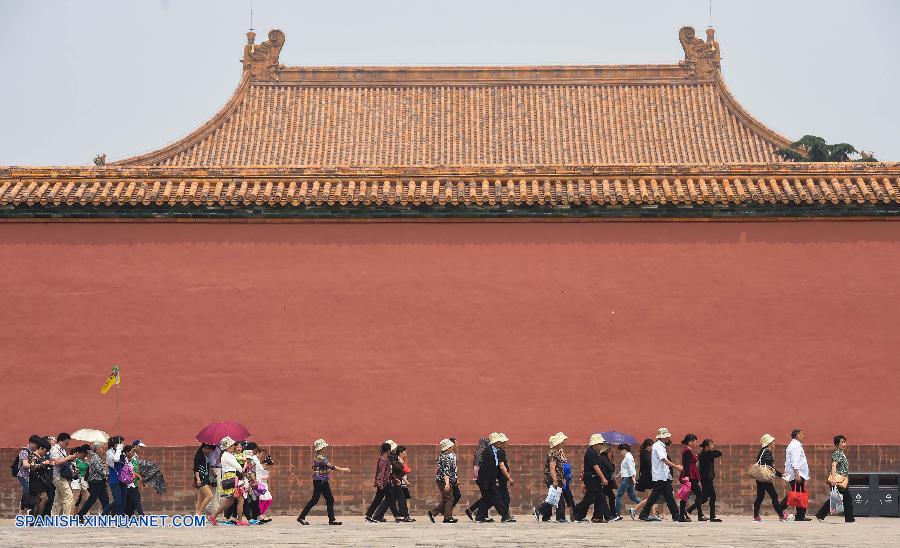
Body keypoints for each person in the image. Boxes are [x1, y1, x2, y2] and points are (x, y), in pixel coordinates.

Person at [297, 438, 349, 525]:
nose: (325, 448)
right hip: (320, 481)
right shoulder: (320, 457)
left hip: (321, 481)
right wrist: (344, 469)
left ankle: (331, 520)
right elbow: (331, 466)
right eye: (324, 446)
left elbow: (321, 468)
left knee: (329, 499)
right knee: (315, 500)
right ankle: (301, 517)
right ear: (321, 448)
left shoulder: (318, 456)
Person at [638, 428, 685, 522]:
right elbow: (664, 460)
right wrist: (676, 467)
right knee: (656, 496)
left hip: (663, 476)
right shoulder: (658, 446)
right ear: (664, 437)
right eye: (667, 436)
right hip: (660, 476)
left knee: (668, 496)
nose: (668, 438)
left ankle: (676, 515)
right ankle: (644, 514)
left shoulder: (660, 446)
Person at [208, 436, 249, 526]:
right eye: (232, 445)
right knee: (240, 499)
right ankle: (240, 520)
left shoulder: (228, 455)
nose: (234, 447)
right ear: (228, 447)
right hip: (231, 477)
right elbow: (238, 467)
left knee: (229, 500)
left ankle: (213, 516)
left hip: (230, 477)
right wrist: (244, 464)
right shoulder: (227, 456)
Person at [815, 435, 855, 523]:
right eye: (842, 442)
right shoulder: (837, 453)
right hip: (838, 480)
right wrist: (833, 479)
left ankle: (820, 515)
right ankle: (850, 519)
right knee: (846, 499)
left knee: (836, 498)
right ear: (837, 444)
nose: (844, 444)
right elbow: (834, 465)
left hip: (842, 480)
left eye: (844, 442)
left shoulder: (841, 454)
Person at [572, 434, 612, 523]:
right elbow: (595, 467)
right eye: (600, 444)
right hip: (591, 478)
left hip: (593, 478)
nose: (601, 446)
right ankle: (575, 510)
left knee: (600, 497)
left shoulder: (594, 452)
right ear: (595, 444)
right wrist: (603, 478)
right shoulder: (591, 453)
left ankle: (596, 517)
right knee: (591, 497)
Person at [476, 432, 515, 522]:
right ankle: (505, 516)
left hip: (490, 480)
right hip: (486, 480)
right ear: (495, 442)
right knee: (496, 498)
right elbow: (488, 469)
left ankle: (479, 517)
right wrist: (492, 481)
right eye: (498, 441)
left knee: (487, 499)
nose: (500, 443)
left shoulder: (495, 451)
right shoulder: (489, 452)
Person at [534, 432, 569, 522]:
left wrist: (563, 478)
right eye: (563, 441)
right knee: (558, 498)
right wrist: (555, 480)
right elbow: (552, 468)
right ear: (558, 442)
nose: (564, 443)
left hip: (558, 478)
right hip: (553, 478)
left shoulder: (557, 452)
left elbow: (561, 467)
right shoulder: (553, 453)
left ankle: (545, 516)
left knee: (553, 497)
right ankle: (560, 517)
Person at [753, 434, 788, 522]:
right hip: (765, 478)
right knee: (774, 496)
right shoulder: (767, 451)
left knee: (760, 497)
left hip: (760, 477)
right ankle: (781, 515)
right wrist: (780, 474)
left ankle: (756, 516)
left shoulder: (763, 450)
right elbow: (769, 467)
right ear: (769, 443)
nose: (774, 444)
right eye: (773, 442)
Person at [687, 439, 722, 522]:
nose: (713, 446)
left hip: (707, 478)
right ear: (706, 447)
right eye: (711, 445)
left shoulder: (704, 453)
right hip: (706, 479)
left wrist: (708, 449)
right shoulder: (706, 454)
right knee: (704, 498)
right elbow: (719, 453)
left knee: (712, 497)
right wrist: (710, 450)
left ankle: (712, 516)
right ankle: (689, 510)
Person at [781, 428, 811, 521]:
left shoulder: (794, 445)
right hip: (797, 474)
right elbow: (795, 461)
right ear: (798, 435)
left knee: (799, 494)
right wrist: (797, 474)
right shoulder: (795, 446)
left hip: (796, 474)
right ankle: (779, 508)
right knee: (795, 494)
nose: (803, 436)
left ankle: (800, 515)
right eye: (802, 434)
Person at [366, 441, 399, 522]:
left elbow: (387, 472)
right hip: (384, 483)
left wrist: (394, 479)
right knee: (391, 499)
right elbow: (381, 472)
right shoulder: (384, 459)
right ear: (388, 450)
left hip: (384, 482)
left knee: (378, 499)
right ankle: (397, 516)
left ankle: (368, 515)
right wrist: (380, 484)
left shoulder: (385, 458)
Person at [428, 438, 459, 523]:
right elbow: (446, 472)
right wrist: (447, 483)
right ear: (448, 448)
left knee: (446, 498)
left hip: (441, 480)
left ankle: (433, 512)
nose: (452, 448)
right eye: (451, 447)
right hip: (443, 481)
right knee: (450, 499)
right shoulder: (445, 458)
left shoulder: (442, 456)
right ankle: (447, 518)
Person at [630, 438, 661, 520]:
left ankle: (652, 515)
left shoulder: (644, 453)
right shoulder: (646, 454)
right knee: (651, 498)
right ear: (648, 446)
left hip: (646, 478)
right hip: (648, 479)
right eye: (652, 445)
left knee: (650, 498)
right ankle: (635, 509)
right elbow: (650, 466)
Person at [77, 442, 110, 518]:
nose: (103, 449)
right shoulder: (95, 457)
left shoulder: (97, 457)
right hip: (96, 482)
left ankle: (106, 515)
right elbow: (100, 470)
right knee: (92, 500)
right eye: (102, 447)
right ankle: (80, 515)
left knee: (105, 499)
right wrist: (107, 472)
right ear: (97, 448)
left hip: (99, 481)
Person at [49, 432, 78, 516]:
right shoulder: (54, 449)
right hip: (57, 476)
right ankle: (66, 517)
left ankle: (53, 518)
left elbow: (64, 462)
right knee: (69, 496)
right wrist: (68, 458)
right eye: (66, 442)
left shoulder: (62, 450)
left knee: (58, 499)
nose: (67, 444)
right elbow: (57, 462)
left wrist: (71, 459)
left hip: (62, 476)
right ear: (60, 441)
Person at [465, 436, 492, 521]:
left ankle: (477, 512)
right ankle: (479, 514)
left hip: (478, 477)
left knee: (486, 496)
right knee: (488, 496)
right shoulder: (483, 453)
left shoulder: (478, 452)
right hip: (482, 477)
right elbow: (483, 466)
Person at [27, 438, 54, 516]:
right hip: (35, 480)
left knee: (38, 500)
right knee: (44, 498)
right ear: (40, 448)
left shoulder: (41, 456)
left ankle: (35, 519)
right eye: (45, 451)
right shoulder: (33, 455)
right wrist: (44, 464)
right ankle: (39, 518)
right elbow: (32, 467)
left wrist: (49, 464)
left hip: (41, 480)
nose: (46, 453)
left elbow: (42, 467)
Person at [679, 434, 703, 521]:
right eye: (694, 441)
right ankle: (686, 512)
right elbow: (686, 465)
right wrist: (687, 477)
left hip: (691, 476)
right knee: (699, 495)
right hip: (690, 476)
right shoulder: (687, 451)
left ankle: (682, 515)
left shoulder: (688, 451)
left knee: (685, 496)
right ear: (690, 442)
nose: (696, 442)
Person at [615, 443, 641, 519]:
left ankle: (616, 514)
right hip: (628, 478)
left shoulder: (628, 457)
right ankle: (647, 507)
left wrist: (633, 478)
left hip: (627, 479)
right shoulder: (627, 456)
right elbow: (625, 468)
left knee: (619, 496)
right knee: (633, 497)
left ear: (624, 450)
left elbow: (631, 468)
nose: (620, 453)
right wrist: (618, 475)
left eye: (620, 451)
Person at [16, 435, 41, 513]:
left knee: (26, 495)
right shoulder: (24, 451)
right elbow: (25, 465)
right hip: (24, 476)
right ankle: (28, 513)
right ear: (30, 443)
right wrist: (38, 465)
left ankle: (21, 514)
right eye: (36, 444)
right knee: (31, 495)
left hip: (31, 476)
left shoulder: (33, 452)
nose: (37, 446)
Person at [104, 436, 126, 515]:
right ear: (116, 444)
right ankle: (104, 513)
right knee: (118, 501)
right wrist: (119, 449)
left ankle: (119, 519)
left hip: (123, 479)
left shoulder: (121, 452)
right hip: (114, 479)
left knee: (122, 501)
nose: (123, 445)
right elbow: (115, 459)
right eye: (121, 443)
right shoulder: (109, 452)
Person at [193, 443, 214, 515]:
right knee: (210, 496)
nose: (210, 452)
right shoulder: (199, 455)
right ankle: (200, 512)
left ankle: (196, 514)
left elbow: (206, 466)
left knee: (201, 499)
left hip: (205, 478)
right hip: (200, 479)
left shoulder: (205, 455)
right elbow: (196, 468)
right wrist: (198, 479)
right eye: (209, 450)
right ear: (205, 448)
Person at [70, 445, 90, 515]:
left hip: (83, 481)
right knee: (75, 499)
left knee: (88, 498)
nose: (84, 455)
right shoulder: (75, 460)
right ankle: (71, 516)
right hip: (77, 481)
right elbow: (79, 468)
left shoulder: (83, 460)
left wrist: (86, 461)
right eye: (83, 453)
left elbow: (87, 467)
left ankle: (87, 515)